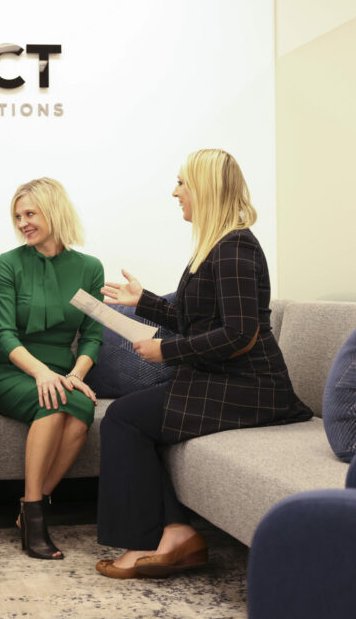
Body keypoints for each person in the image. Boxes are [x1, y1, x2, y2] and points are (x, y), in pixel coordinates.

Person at [95, 149, 312, 579]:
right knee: (129, 416)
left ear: (205, 188)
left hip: (251, 386)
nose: (175, 192)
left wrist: (167, 352)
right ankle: (175, 531)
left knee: (122, 418)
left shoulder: (235, 250)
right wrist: (145, 303)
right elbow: (196, 320)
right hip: (225, 379)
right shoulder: (217, 247)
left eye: (182, 183)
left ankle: (152, 540)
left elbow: (238, 333)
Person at [0, 178, 103, 560]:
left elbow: (92, 335)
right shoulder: (9, 264)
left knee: (81, 411)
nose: (23, 223)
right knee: (50, 401)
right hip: (10, 369)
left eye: (30, 214)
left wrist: (75, 376)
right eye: (18, 216)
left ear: (53, 211)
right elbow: (4, 333)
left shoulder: (88, 268)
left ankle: (30, 507)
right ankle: (35, 514)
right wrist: (42, 374)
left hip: (64, 373)